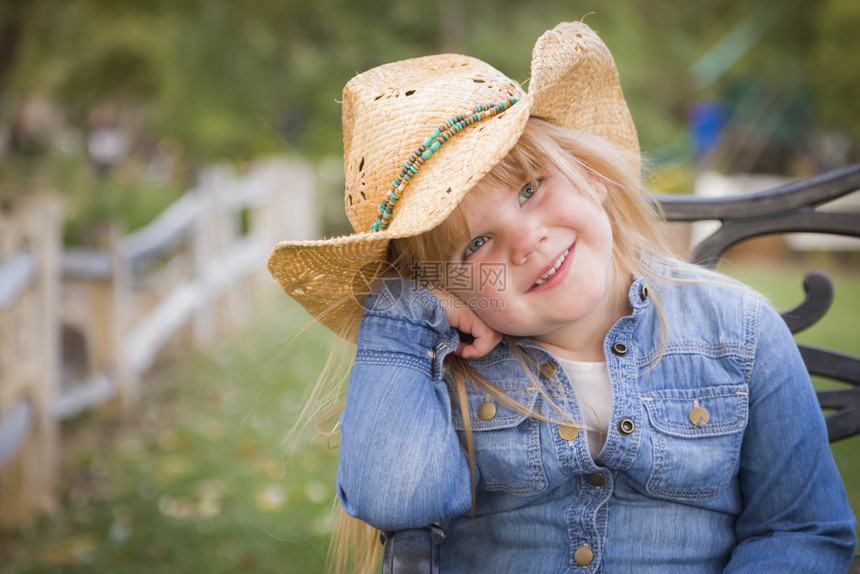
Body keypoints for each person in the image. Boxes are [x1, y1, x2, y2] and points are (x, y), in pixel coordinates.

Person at [267, 21, 856, 574]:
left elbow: (804, 527)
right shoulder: (446, 369)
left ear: (590, 172)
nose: (527, 241)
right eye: (474, 245)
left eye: (530, 187)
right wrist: (401, 311)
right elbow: (397, 500)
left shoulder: (740, 330)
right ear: (445, 288)